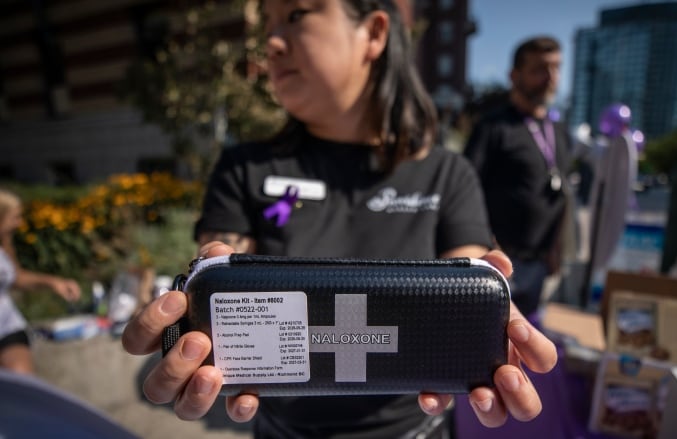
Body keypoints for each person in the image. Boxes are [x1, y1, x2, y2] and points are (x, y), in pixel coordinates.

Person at [122, 1, 558, 437]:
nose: (271, 43)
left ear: (373, 33)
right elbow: (218, 277)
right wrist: (183, 324)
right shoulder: (243, 169)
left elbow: (471, 278)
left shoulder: (448, 173)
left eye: (295, 16)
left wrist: (500, 324)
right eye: (268, 26)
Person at [464, 36, 576, 316]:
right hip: (498, 262)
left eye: (556, 68)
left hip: (539, 264)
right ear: (515, 76)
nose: (550, 77)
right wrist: (487, 248)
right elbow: (466, 193)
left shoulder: (559, 131)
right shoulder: (493, 127)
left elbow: (562, 195)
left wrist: (556, 249)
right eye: (539, 68)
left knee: (526, 347)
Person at [0, 189, 82, 374]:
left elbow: (16, 276)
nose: (20, 223)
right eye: (15, 217)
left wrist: (53, 283)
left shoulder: (4, 243)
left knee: (22, 385)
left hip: (6, 327)